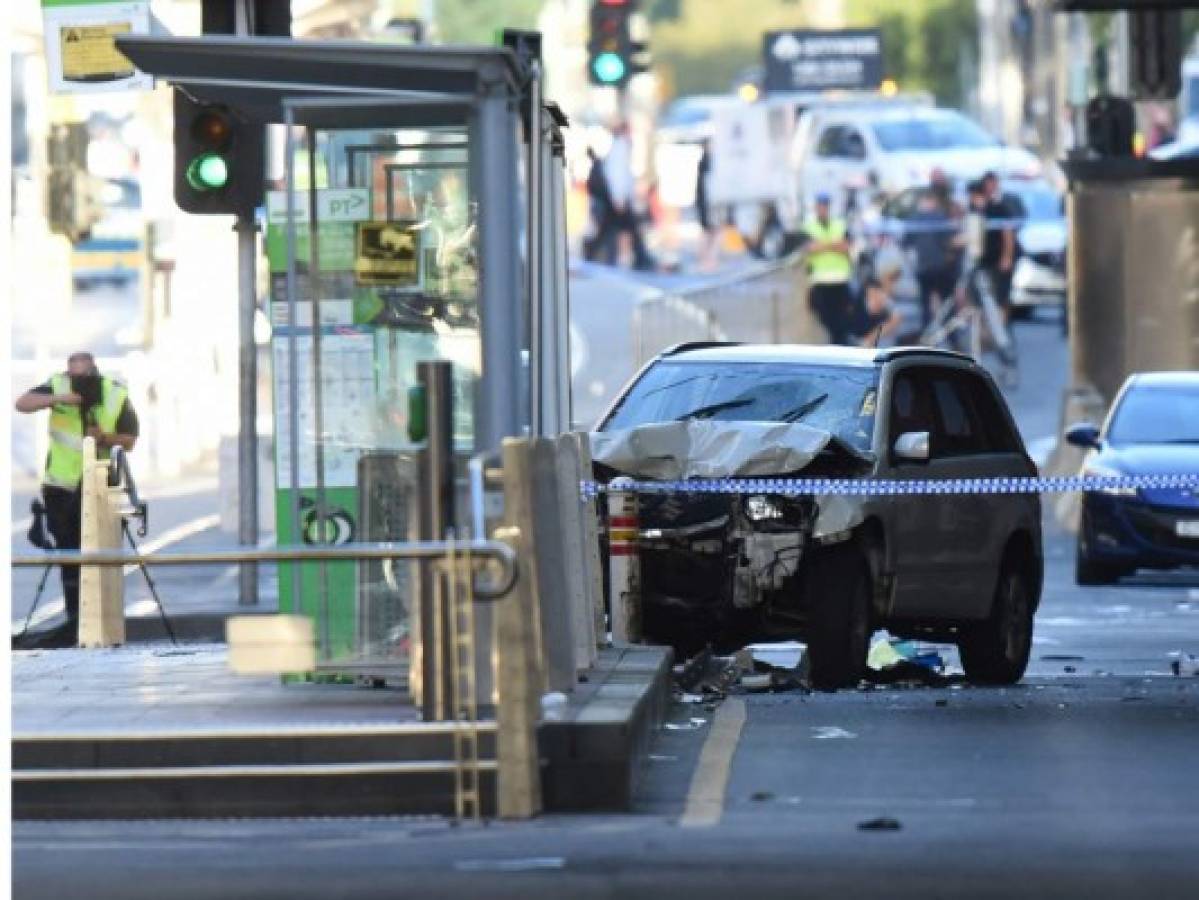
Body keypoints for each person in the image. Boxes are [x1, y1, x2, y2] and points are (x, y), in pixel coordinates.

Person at [14, 352, 139, 648]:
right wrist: (58, 400)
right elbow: (22, 403)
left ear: (95, 372)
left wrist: (104, 439)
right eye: (74, 376)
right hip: (61, 488)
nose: (79, 383)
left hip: (98, 489)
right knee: (69, 556)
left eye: (84, 377)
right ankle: (75, 621)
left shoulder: (114, 394)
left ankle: (101, 623)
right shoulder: (58, 387)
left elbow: (130, 439)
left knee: (99, 557)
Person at [904, 170, 960, 329]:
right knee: (947, 304)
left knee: (925, 306)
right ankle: (952, 336)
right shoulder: (940, 218)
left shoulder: (914, 219)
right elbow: (949, 242)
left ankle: (925, 337)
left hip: (923, 268)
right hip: (940, 268)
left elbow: (906, 243)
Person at [601, 122, 655, 271]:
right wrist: (619, 196)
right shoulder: (620, 148)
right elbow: (617, 175)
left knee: (621, 229)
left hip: (622, 197)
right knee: (622, 229)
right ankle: (631, 258)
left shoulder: (621, 147)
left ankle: (626, 257)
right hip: (620, 198)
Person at [803, 192, 854, 345]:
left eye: (825, 206)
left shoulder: (840, 224)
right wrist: (833, 244)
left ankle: (840, 344)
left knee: (842, 319)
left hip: (840, 279)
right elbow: (810, 247)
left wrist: (823, 244)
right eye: (820, 206)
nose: (823, 209)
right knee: (826, 318)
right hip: (820, 280)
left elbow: (846, 246)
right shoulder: (808, 226)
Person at [980, 171, 1017, 317]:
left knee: (1001, 296)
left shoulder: (1002, 207)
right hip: (985, 258)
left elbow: (1008, 234)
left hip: (998, 257)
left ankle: (1003, 327)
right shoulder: (981, 208)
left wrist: (1007, 257)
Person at [849, 276, 903, 348]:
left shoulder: (887, 303)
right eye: (871, 296)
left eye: (877, 294)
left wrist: (870, 339)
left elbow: (896, 318)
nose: (876, 300)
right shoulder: (857, 313)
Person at [582, 146, 613, 262]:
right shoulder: (598, 167)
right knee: (600, 230)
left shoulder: (597, 167)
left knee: (600, 230)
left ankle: (591, 252)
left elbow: (595, 185)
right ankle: (592, 252)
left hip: (599, 202)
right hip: (599, 202)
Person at [694, 138, 718, 270]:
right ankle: (706, 260)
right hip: (707, 202)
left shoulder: (706, 162)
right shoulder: (707, 163)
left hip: (706, 201)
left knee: (711, 231)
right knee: (709, 231)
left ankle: (708, 259)